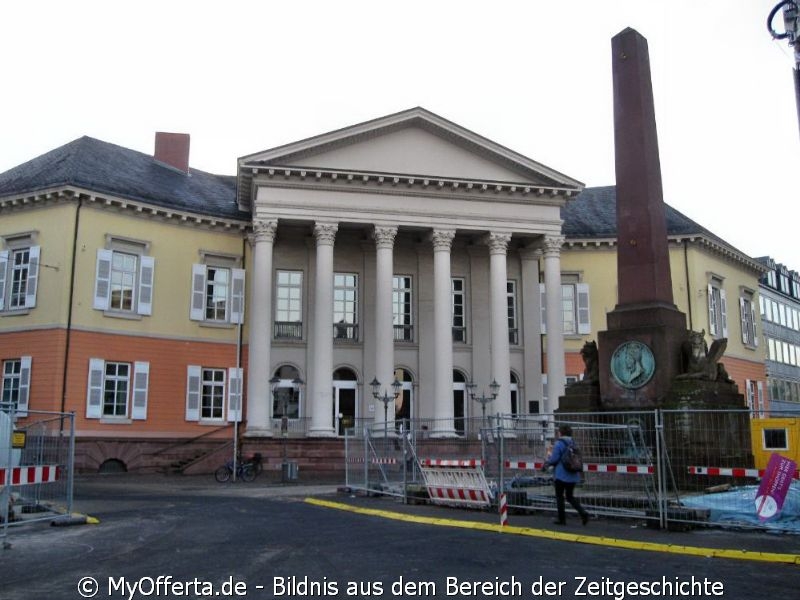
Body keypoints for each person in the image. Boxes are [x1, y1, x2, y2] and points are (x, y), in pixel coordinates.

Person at [542, 424, 589, 526]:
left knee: (559, 497)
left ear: (560, 433)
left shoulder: (559, 443)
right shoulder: (573, 442)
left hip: (561, 475)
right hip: (573, 474)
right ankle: (583, 513)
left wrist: (546, 463)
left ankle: (562, 520)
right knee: (570, 496)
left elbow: (554, 459)